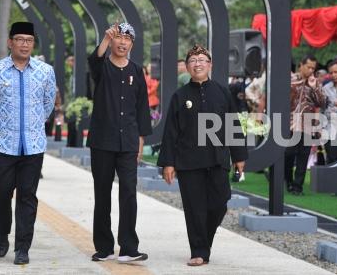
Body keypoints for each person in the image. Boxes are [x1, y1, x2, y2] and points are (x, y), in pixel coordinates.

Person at [158, 44, 247, 266]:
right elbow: (170, 131)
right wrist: (168, 162)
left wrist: (239, 156)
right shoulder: (180, 96)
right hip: (189, 162)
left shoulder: (222, 92)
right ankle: (198, 250)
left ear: (210, 65)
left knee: (220, 203)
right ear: (187, 67)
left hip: (217, 160)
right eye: (193, 60)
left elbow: (232, 125)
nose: (198, 63)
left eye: (202, 60)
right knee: (194, 208)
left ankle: (203, 242)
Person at [0, 22, 56, 266]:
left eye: (29, 40)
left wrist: (32, 125)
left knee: (27, 196)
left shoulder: (45, 71)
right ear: (10, 42)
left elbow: (48, 105)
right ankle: (3, 229)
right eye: (20, 39)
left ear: (33, 44)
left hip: (33, 146)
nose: (24, 44)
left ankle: (22, 247)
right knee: (0, 193)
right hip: (4, 145)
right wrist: (5, 123)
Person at [88, 22, 151, 263]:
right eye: (119, 38)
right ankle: (103, 247)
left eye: (127, 39)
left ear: (132, 44)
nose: (122, 42)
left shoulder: (137, 71)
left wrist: (140, 140)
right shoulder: (102, 68)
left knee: (128, 194)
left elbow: (142, 107)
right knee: (102, 193)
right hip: (102, 141)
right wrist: (104, 38)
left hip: (128, 143)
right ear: (112, 41)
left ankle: (128, 248)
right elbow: (93, 60)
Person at [286, 55, 325, 195]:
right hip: (290, 123)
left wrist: (314, 88)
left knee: (303, 156)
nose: (310, 70)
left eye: (313, 68)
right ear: (301, 65)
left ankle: (298, 187)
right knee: (288, 154)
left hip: (307, 124)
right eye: (308, 67)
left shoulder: (315, 83)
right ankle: (288, 181)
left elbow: (321, 102)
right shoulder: (290, 80)